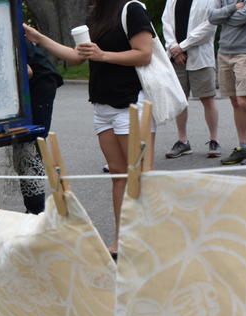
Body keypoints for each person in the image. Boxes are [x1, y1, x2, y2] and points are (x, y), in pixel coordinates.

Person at [23, 0, 154, 255]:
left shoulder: (132, 9)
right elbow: (76, 57)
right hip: (102, 106)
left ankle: (148, 240)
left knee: (139, 175)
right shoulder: (96, 14)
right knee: (118, 175)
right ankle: (121, 239)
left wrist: (103, 55)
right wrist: (39, 38)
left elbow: (144, 53)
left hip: (130, 104)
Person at [162, 0, 221, 159]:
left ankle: (214, 140)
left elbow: (209, 26)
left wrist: (183, 46)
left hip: (200, 56)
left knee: (207, 98)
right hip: (176, 57)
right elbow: (166, 22)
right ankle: (183, 141)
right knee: (180, 100)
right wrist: (174, 48)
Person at [208, 0, 246, 165]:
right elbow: (211, 16)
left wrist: (224, 16)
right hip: (224, 50)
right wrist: (233, 8)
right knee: (235, 102)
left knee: (244, 101)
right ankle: (243, 147)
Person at [17, 40, 64, 214]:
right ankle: (33, 208)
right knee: (22, 148)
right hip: (29, 86)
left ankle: (36, 210)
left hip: (40, 83)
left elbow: (27, 71)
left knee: (31, 146)